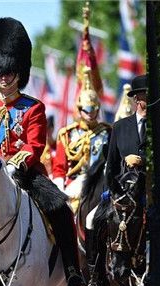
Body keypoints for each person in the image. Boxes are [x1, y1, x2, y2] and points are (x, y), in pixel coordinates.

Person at [0, 17, 85, 286]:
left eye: (9, 71)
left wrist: (15, 165)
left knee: (61, 208)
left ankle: (73, 272)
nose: (4, 76)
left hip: (25, 173)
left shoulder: (33, 107)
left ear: (18, 71)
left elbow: (36, 144)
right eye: (0, 71)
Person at [83, 74, 148, 286]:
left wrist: (143, 161)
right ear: (136, 99)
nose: (146, 100)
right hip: (121, 193)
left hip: (148, 194)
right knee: (92, 220)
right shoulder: (121, 127)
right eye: (143, 95)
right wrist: (114, 191)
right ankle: (94, 279)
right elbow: (111, 164)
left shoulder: (156, 125)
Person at [52, 69, 111, 208]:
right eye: (86, 110)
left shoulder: (108, 132)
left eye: (94, 109)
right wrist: (60, 189)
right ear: (79, 110)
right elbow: (59, 168)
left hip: (102, 180)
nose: (90, 113)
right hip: (75, 185)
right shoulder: (66, 134)